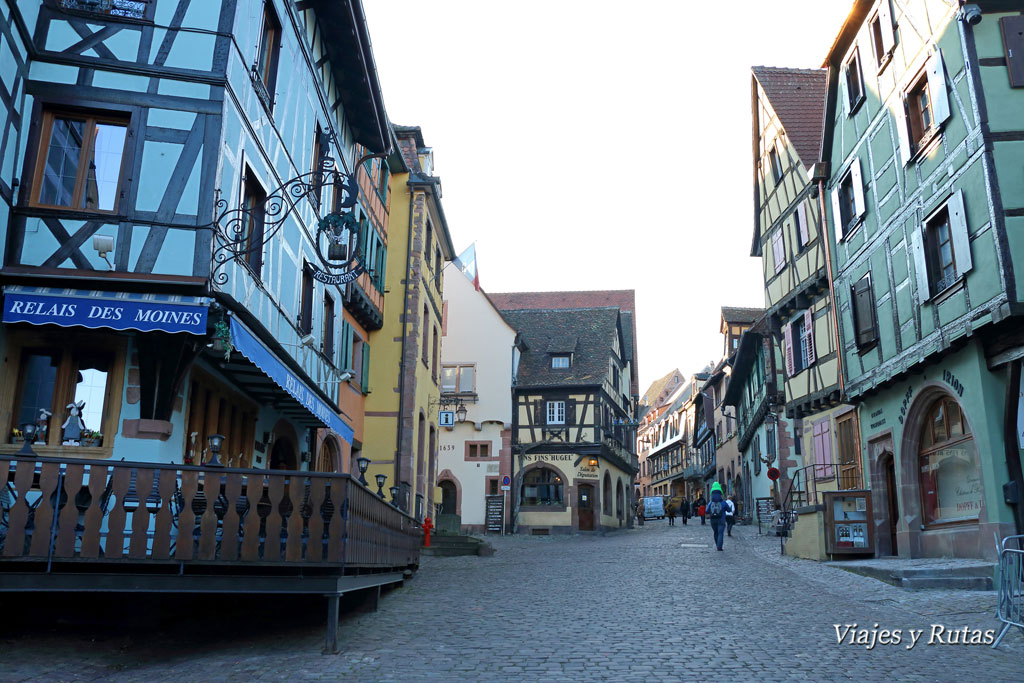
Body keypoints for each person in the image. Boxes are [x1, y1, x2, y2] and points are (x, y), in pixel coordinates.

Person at [706, 482, 729, 550]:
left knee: (715, 532)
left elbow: (707, 511)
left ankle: (717, 544)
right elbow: (729, 510)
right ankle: (719, 546)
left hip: (713, 520)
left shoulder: (711, 503)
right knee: (720, 533)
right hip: (721, 519)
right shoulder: (723, 502)